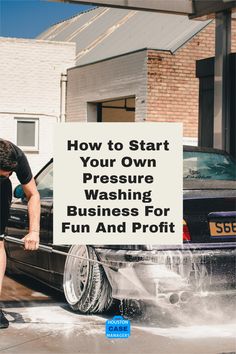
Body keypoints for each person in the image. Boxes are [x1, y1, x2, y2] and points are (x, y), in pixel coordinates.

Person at [0, 138, 40, 329]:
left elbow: (33, 194)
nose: (5, 175)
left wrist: (34, 232)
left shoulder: (18, 156)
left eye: (6, 174)